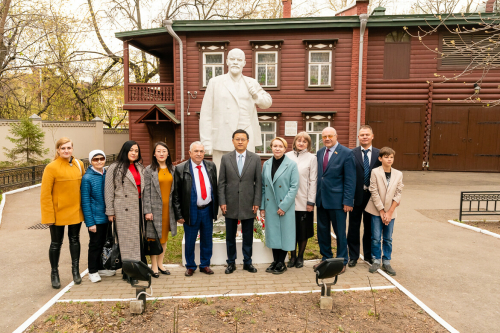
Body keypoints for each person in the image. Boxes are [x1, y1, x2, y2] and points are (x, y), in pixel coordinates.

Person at [199, 48, 273, 169]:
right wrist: (206, 141)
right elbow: (206, 114)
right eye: (232, 59)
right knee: (221, 177)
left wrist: (256, 96)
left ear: (244, 63)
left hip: (246, 135)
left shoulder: (251, 82)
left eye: (239, 60)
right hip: (222, 137)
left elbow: (267, 102)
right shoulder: (215, 82)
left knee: (247, 175)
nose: (235, 62)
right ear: (227, 61)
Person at [41, 137, 85, 289]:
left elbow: (83, 188)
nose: (66, 151)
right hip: (57, 212)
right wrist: (48, 216)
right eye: (63, 148)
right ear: (58, 150)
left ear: (72, 149)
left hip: (75, 210)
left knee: (75, 240)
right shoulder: (51, 167)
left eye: (69, 148)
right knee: (56, 244)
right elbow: (45, 194)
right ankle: (54, 273)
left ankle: (75, 270)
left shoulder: (79, 164)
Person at [218, 129, 262, 274]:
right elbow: (222, 183)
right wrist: (222, 201)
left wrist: (256, 201)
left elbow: (258, 182)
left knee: (248, 235)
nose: (240, 141)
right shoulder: (226, 158)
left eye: (243, 139)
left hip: (249, 203)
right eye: (237, 139)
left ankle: (247, 262)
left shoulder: (255, 158)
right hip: (229, 203)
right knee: (230, 235)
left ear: (248, 141)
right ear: (233, 141)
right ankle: (231, 262)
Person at [172, 141, 219, 277]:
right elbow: (176, 194)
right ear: (190, 153)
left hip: (207, 209)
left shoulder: (211, 166)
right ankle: (191, 265)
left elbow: (214, 188)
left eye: (201, 151)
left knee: (207, 239)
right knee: (190, 240)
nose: (199, 154)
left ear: (204, 153)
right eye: (196, 151)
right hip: (191, 210)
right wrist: (179, 214)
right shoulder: (181, 168)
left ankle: (205, 264)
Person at [315, 127, 356, 274]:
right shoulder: (320, 152)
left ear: (336, 136)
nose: (327, 139)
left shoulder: (347, 153)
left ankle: (342, 261)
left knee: (339, 232)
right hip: (321, 200)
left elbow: (350, 180)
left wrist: (348, 201)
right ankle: (326, 257)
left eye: (330, 136)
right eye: (324, 136)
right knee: (322, 231)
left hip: (338, 201)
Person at [104, 140, 146, 284]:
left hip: (138, 208)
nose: (134, 153)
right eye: (131, 150)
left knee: (135, 241)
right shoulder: (114, 168)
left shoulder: (140, 167)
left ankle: (133, 269)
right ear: (125, 151)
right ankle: (129, 273)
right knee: (127, 242)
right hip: (123, 209)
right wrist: (110, 211)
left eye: (136, 151)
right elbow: (109, 191)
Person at [260, 137, 299, 275]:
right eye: (275, 146)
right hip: (270, 205)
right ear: (271, 147)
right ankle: (275, 260)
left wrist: (284, 206)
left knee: (285, 234)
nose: (277, 148)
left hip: (285, 206)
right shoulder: (266, 164)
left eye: (280, 146)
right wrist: (262, 206)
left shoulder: (292, 165)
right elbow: (263, 187)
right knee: (273, 234)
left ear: (285, 148)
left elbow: (294, 187)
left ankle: (282, 262)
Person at [365, 147, 404, 276]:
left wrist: (390, 212)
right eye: (386, 157)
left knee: (388, 238)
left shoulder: (398, 174)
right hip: (376, 210)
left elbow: (398, 192)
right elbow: (374, 191)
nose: (389, 159)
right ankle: (376, 260)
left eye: (391, 157)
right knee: (376, 237)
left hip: (391, 212)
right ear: (380, 158)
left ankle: (386, 261)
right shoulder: (375, 172)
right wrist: (382, 211)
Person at [347, 125, 381, 267]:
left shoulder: (379, 154)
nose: (365, 137)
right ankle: (353, 256)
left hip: (372, 197)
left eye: (367, 134)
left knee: (370, 228)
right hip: (356, 197)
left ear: (372, 136)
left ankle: (368, 256)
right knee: (353, 227)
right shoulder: (351, 153)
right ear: (358, 137)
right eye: (362, 135)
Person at [143, 142, 177, 278]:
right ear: (154, 154)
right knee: (153, 237)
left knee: (164, 237)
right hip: (154, 209)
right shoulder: (149, 170)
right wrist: (147, 210)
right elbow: (146, 192)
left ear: (168, 153)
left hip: (169, 209)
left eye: (164, 151)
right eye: (158, 151)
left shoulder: (173, 169)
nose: (161, 153)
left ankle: (161, 263)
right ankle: (154, 266)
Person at [81, 150, 115, 283]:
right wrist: (90, 223)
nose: (99, 161)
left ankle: (102, 267)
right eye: (96, 159)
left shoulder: (107, 174)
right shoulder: (87, 178)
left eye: (102, 158)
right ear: (91, 161)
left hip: (108, 217)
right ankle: (92, 271)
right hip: (96, 219)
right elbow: (85, 201)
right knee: (95, 245)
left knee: (105, 244)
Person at [285, 132, 317, 269]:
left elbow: (313, 180)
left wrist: (311, 202)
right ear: (295, 141)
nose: (301, 143)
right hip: (289, 201)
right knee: (291, 230)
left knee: (302, 231)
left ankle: (300, 256)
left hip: (304, 200)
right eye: (299, 140)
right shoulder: (287, 156)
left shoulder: (312, 158)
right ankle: (292, 256)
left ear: (308, 144)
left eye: (305, 141)